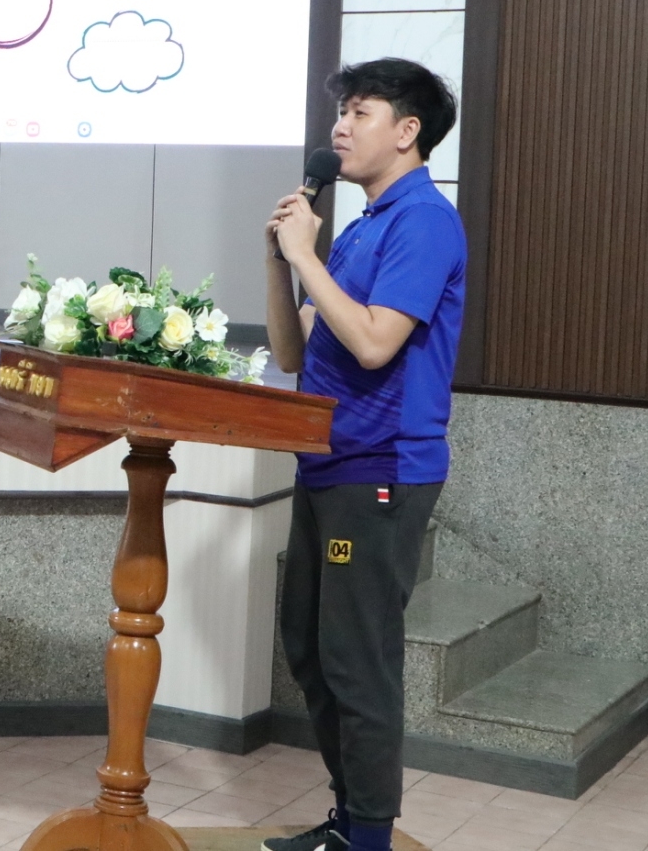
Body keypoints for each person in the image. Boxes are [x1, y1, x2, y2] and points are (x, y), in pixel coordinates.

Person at [261, 58, 466, 851]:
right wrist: (280, 259)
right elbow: (293, 351)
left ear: (407, 131)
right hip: (327, 461)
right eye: (340, 112)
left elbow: (376, 344)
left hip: (381, 470)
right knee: (311, 650)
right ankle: (349, 823)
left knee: (357, 662)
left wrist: (308, 259)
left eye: (360, 112)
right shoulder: (363, 226)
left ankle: (369, 839)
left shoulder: (425, 222)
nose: (339, 128)